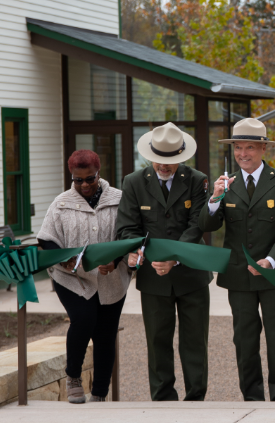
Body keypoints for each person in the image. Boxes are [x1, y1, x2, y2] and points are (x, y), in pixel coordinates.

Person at [200, 117, 275, 402]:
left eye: (249, 147)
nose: (243, 154)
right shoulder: (227, 184)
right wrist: (214, 199)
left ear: (263, 149)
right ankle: (253, 398)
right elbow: (208, 226)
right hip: (239, 276)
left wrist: (270, 261)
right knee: (244, 341)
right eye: (238, 148)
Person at [115, 123, 212, 401]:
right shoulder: (133, 182)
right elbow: (127, 227)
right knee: (157, 341)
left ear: (182, 157)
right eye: (159, 159)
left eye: (171, 161)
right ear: (149, 155)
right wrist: (134, 251)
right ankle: (162, 398)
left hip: (192, 274)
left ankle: (196, 397)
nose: (164, 166)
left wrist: (174, 257)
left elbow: (197, 226)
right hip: (153, 277)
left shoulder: (197, 180)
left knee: (194, 341)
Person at [37, 150, 131, 404]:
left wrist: (116, 261)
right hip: (72, 278)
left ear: (99, 173)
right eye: (78, 180)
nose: (85, 185)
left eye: (90, 179)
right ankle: (73, 377)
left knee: (106, 333)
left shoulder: (119, 199)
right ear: (72, 177)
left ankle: (100, 392)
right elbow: (46, 240)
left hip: (111, 278)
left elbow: (128, 235)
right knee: (84, 319)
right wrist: (64, 258)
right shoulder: (61, 203)